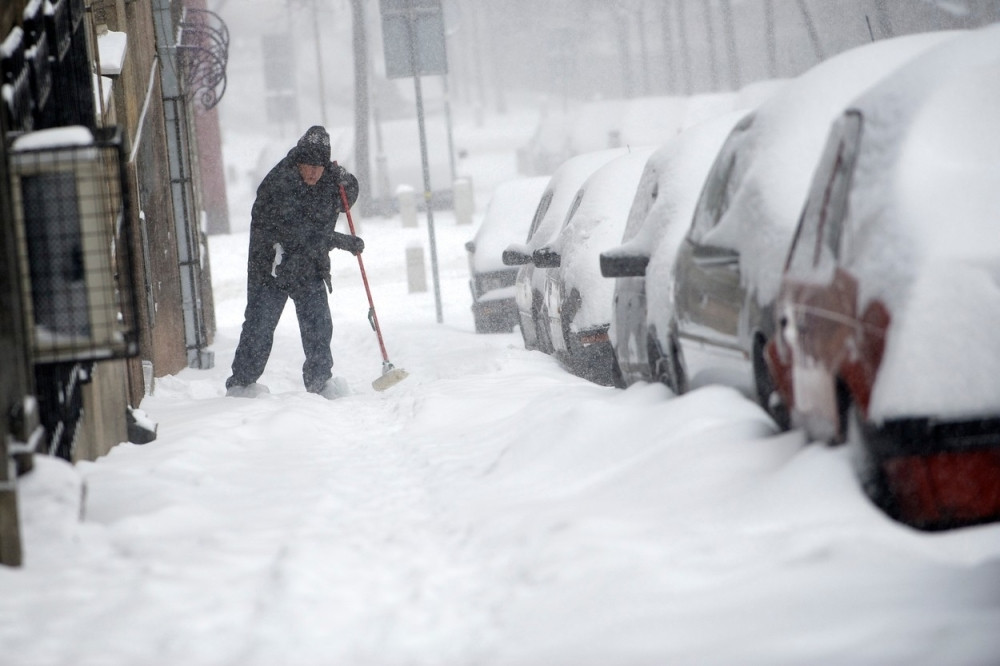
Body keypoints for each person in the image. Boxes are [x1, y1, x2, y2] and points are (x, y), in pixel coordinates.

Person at [226, 126, 363, 398]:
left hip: (308, 267)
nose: (313, 172)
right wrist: (340, 241)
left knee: (318, 327)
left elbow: (347, 197)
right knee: (260, 325)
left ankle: (320, 382)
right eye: (308, 166)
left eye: (318, 166)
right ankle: (241, 385)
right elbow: (299, 233)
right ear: (298, 162)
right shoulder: (279, 184)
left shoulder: (325, 179)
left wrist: (345, 180)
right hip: (272, 266)